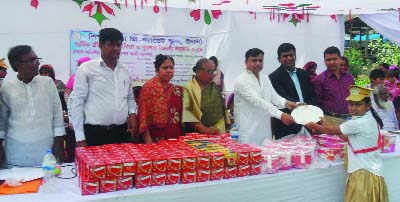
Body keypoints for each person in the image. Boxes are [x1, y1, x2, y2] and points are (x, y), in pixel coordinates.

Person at [306, 85, 388, 202]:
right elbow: (346, 137)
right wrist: (325, 122)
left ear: (368, 105)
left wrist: (313, 125)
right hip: (371, 170)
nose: (353, 108)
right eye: (351, 104)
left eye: (358, 104)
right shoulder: (368, 119)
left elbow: (330, 131)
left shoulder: (358, 123)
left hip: (363, 173)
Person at [70, 28, 137, 147]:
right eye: (111, 45)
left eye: (118, 45)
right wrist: (79, 137)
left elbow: (130, 98)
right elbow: (77, 103)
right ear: (100, 45)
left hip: (120, 133)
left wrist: (132, 113)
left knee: (119, 166)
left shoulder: (125, 71)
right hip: (95, 134)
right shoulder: (86, 68)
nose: (116, 48)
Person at [0, 45, 65, 167]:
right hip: (16, 154)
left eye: (37, 59)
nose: (37, 63)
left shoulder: (48, 83)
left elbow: (57, 116)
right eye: (32, 60)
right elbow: (2, 124)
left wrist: (58, 144)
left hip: (46, 153)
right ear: (17, 64)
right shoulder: (7, 88)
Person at [234, 48, 297, 145]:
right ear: (246, 62)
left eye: (260, 60)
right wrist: (280, 115)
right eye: (254, 60)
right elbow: (258, 101)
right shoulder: (241, 80)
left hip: (264, 129)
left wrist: (287, 103)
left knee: (266, 157)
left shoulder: (265, 78)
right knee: (248, 158)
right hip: (248, 130)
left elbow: (274, 97)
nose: (258, 63)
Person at [269, 43, 317, 139]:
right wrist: (299, 106)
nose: (289, 58)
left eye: (291, 55)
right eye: (285, 56)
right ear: (279, 59)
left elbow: (312, 95)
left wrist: (311, 112)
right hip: (286, 125)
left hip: (307, 121)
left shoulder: (303, 73)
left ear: (295, 56)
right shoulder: (274, 77)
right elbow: (282, 97)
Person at [138, 54, 183, 143]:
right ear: (157, 70)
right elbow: (143, 117)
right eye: (165, 68)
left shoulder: (177, 90)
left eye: (171, 67)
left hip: (175, 136)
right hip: (155, 138)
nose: (169, 71)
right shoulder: (148, 88)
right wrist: (148, 141)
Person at [182, 58, 230, 135]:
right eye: (209, 71)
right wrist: (204, 129)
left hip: (217, 131)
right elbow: (187, 113)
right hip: (196, 133)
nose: (213, 74)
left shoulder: (214, 87)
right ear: (198, 72)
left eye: (213, 71)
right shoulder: (188, 88)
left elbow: (221, 111)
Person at [313, 46, 355, 125]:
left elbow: (353, 97)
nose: (331, 62)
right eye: (328, 60)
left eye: (334, 59)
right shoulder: (319, 80)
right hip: (330, 119)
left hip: (350, 119)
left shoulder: (349, 77)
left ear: (340, 59)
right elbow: (317, 102)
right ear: (324, 61)